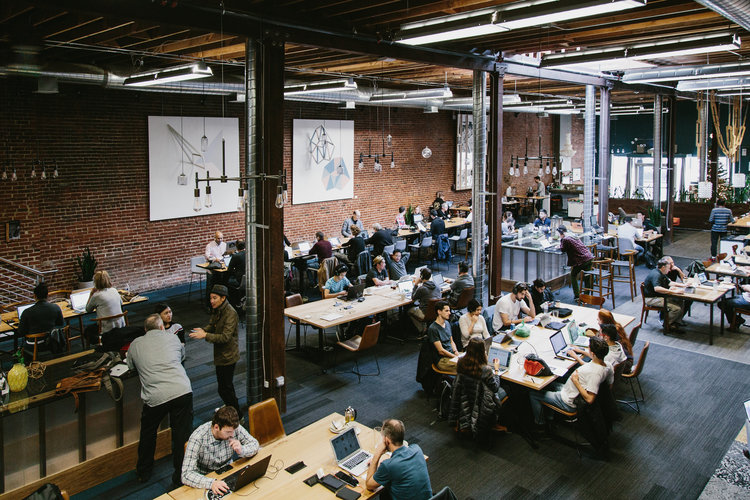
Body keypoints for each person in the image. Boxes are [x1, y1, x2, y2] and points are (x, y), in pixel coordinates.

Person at [127, 314, 193, 486]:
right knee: (182, 435)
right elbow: (181, 357)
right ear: (162, 327)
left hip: (155, 397)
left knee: (148, 433)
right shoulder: (173, 338)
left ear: (145, 330)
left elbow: (131, 366)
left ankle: (143, 472)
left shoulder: (135, 344)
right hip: (182, 390)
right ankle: (181, 475)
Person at [528, 337, 613, 426]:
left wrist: (576, 381)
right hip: (569, 391)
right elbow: (608, 385)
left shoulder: (594, 373)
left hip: (567, 401)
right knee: (549, 384)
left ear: (592, 353)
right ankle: (550, 417)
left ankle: (540, 425)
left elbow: (590, 399)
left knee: (533, 394)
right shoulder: (608, 366)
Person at [182, 406, 259, 495]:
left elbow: (255, 444)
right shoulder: (198, 438)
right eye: (228, 432)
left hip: (229, 471)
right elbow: (186, 474)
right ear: (216, 427)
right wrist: (211, 483)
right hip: (206, 478)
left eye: (233, 431)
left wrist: (242, 450)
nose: (232, 434)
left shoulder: (232, 427)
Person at [189, 285, 240, 415]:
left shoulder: (230, 313)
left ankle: (237, 415)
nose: (211, 301)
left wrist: (205, 335)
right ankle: (230, 407)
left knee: (225, 388)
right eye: (211, 298)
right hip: (221, 355)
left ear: (223, 298)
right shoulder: (218, 309)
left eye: (214, 298)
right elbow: (212, 325)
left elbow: (225, 337)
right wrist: (204, 330)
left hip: (228, 356)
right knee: (225, 387)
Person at [365, 419, 431, 500]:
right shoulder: (417, 449)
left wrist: (377, 454)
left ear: (386, 440)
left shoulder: (388, 466)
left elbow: (369, 485)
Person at [16, 282, 64, 349]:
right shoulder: (56, 307)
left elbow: (21, 332)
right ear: (47, 295)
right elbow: (61, 324)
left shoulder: (27, 312)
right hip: (52, 342)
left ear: (35, 296)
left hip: (34, 344)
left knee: (20, 345)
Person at [457, 337, 507, 402]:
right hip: (483, 401)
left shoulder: (461, 362)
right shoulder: (486, 369)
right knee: (507, 388)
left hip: (465, 397)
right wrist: (496, 370)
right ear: (482, 351)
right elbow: (495, 388)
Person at [643, 257, 686, 332]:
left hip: (658, 296)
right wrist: (674, 292)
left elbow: (670, 282)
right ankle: (666, 324)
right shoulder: (656, 275)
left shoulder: (661, 272)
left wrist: (683, 285)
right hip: (653, 299)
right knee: (676, 309)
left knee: (680, 300)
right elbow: (657, 288)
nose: (669, 270)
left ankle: (676, 322)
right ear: (663, 267)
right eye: (668, 268)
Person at [85, 270, 124, 344]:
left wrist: (91, 294)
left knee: (88, 331)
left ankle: (102, 346)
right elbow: (121, 303)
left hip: (106, 326)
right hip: (120, 323)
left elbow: (88, 309)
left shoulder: (96, 295)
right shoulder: (114, 290)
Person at [557, 226, 594, 300]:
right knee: (587, 277)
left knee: (573, 275)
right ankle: (586, 295)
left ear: (561, 233)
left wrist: (560, 242)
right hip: (588, 257)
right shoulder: (573, 235)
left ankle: (577, 295)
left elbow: (563, 249)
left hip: (581, 260)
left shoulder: (565, 239)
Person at [427, 301, 458, 370]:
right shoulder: (433, 329)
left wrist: (456, 352)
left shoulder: (447, 323)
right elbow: (441, 351)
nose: (449, 313)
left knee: (473, 360)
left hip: (451, 354)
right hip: (442, 360)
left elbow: (451, 341)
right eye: (446, 311)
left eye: (449, 311)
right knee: (467, 366)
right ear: (439, 312)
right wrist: (455, 357)